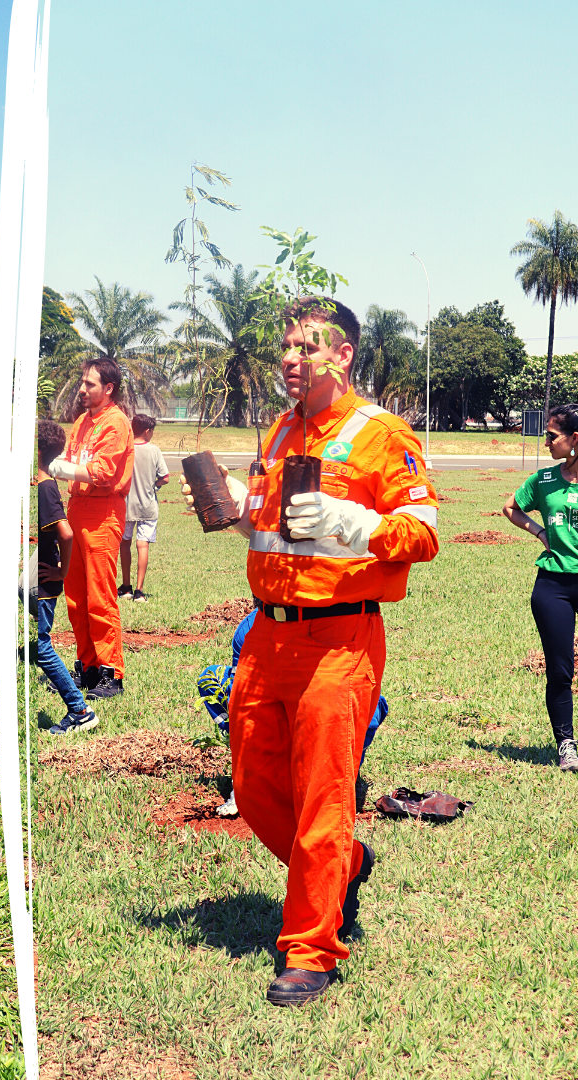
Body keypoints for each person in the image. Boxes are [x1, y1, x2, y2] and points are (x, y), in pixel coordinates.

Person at [181, 298, 439, 1006]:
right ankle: (346, 862)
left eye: (308, 346)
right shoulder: (282, 429)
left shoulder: (381, 434)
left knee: (324, 794)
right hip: (267, 634)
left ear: (343, 354)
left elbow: (422, 533)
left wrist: (353, 520)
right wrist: (239, 507)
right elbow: (273, 532)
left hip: (339, 638)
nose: (291, 358)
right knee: (255, 785)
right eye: (287, 347)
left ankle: (310, 948)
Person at [198, 608, 388, 818]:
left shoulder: (328, 621)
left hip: (316, 698)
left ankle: (340, 779)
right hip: (271, 705)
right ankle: (263, 769)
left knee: (371, 706)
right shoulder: (248, 630)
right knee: (210, 679)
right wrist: (242, 781)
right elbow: (241, 697)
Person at [46, 359, 134, 700]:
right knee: (76, 596)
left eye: (90, 384)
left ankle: (111, 672)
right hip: (77, 509)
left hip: (103, 512)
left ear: (108, 389)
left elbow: (102, 472)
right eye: (82, 382)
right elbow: (72, 459)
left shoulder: (116, 423)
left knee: (100, 596)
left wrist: (61, 469)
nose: (82, 389)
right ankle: (87, 666)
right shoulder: (83, 421)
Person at [504, 403, 578, 771]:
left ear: (574, 439)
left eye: (552, 436)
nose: (546, 442)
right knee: (560, 671)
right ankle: (566, 744)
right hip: (554, 585)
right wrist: (540, 532)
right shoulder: (545, 479)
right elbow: (511, 508)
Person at [28, 419, 98, 735]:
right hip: (44, 574)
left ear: (37, 452)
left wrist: (62, 571)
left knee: (43, 649)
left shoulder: (46, 489)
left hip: (47, 577)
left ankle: (80, 710)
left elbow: (66, 534)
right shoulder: (45, 484)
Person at [118, 413, 169, 602]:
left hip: (126, 506)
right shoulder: (154, 450)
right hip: (148, 506)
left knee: (125, 543)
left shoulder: (125, 449)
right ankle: (139, 591)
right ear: (147, 431)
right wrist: (154, 486)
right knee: (143, 544)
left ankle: (126, 587)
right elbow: (165, 477)